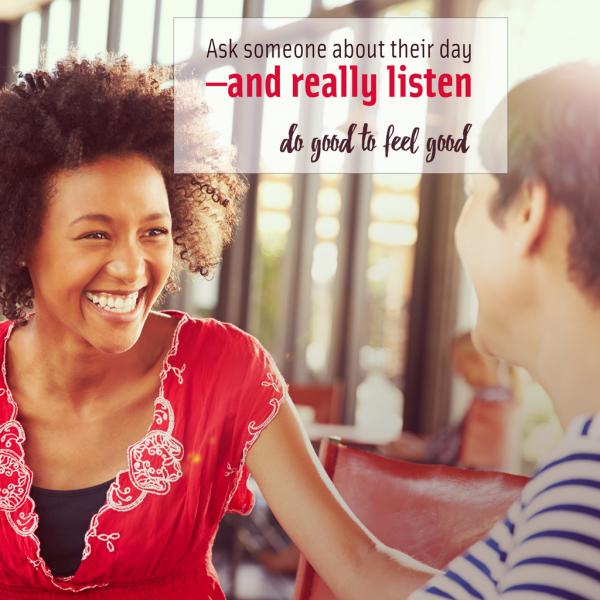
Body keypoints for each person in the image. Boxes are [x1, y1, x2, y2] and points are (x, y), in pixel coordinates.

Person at [0, 54, 436, 598]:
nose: (134, 268)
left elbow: (359, 562)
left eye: (154, 232)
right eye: (95, 235)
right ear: (21, 242)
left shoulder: (225, 369)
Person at [410, 61, 600, 598]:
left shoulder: (587, 493)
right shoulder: (572, 478)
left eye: (474, 191)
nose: (458, 228)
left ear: (527, 212)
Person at [382, 332, 517, 471]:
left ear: (478, 361)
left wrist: (421, 450)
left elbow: (471, 460)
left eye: (459, 363)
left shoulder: (491, 403)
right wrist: (422, 445)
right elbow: (457, 439)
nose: (457, 371)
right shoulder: (490, 397)